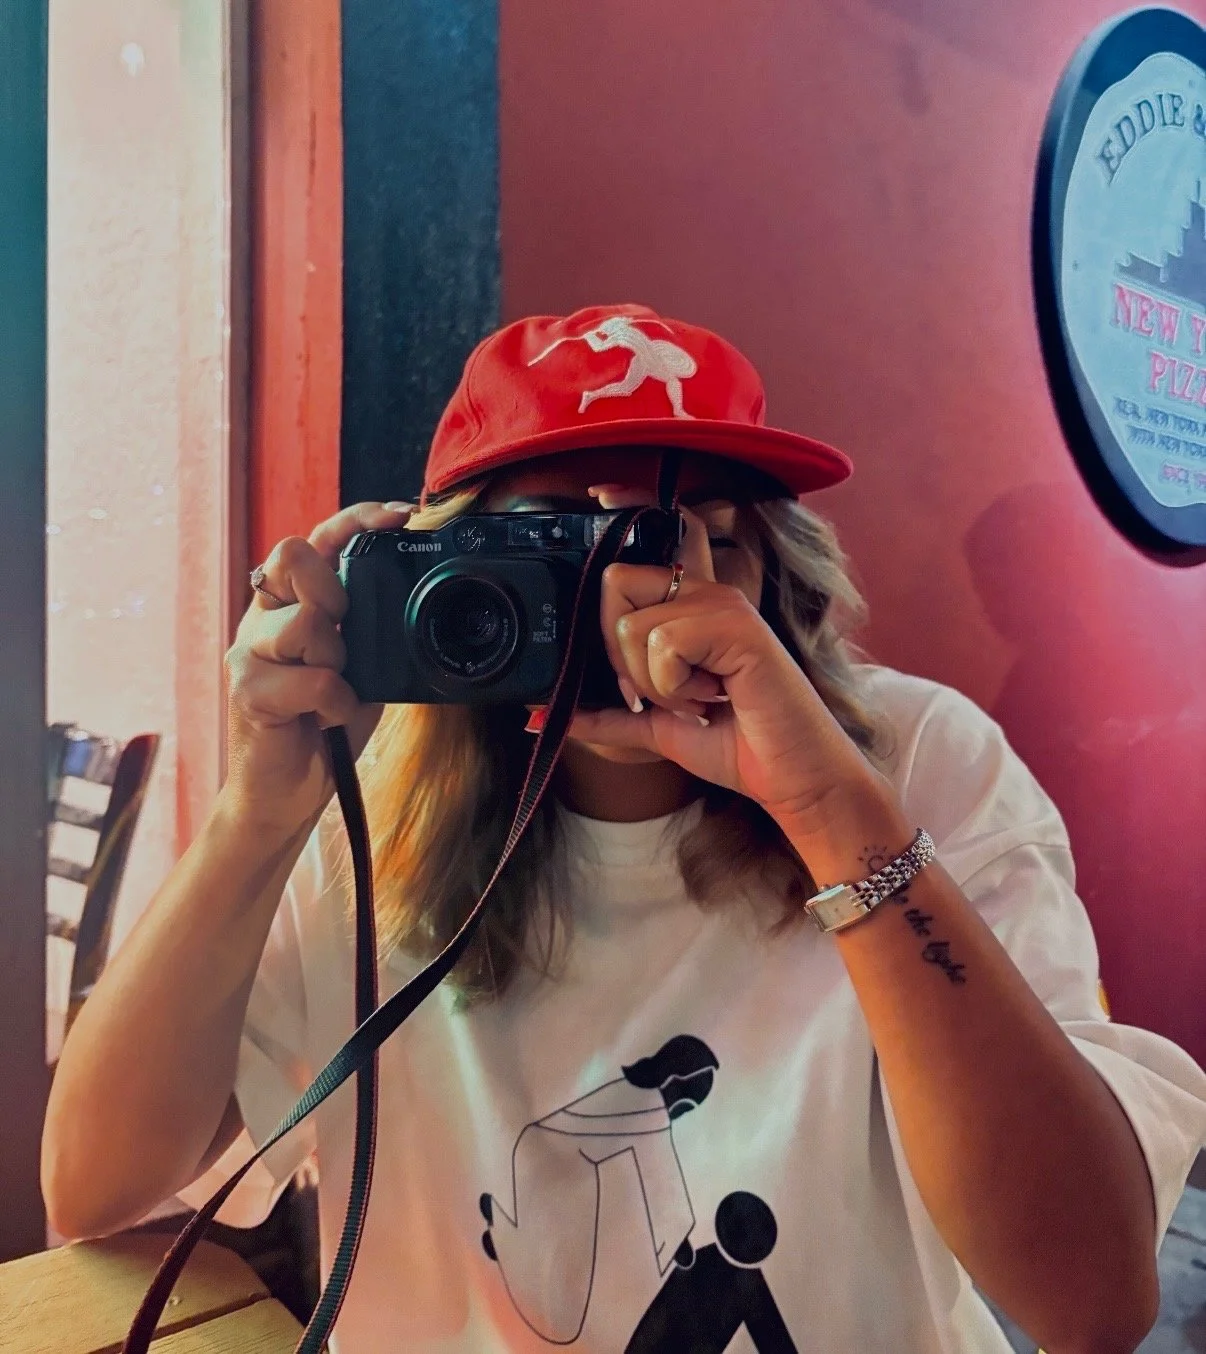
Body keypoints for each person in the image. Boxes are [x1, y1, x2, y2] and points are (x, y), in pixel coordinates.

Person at [42, 304, 1206, 1353]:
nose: (617, 599)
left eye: (670, 542)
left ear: (769, 579)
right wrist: (257, 816)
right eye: (551, 546)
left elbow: (1093, 1299)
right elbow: (92, 1191)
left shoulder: (912, 761)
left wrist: (829, 812)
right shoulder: (364, 802)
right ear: (438, 575)